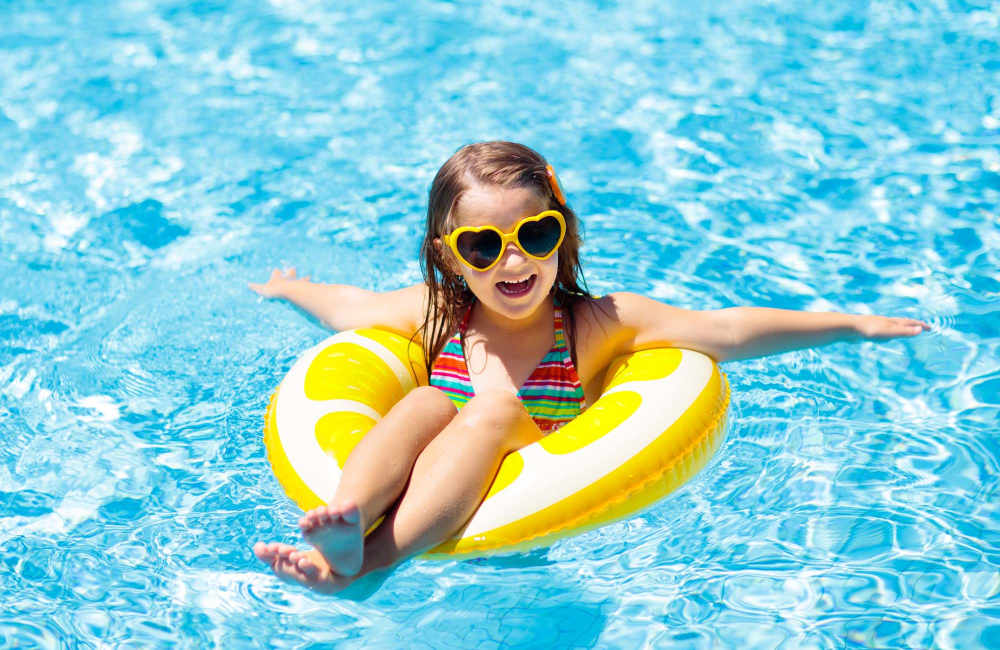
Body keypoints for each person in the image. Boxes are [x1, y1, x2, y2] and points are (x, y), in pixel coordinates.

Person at [250, 141, 929, 596]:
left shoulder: (592, 325)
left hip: (527, 524)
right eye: (483, 247)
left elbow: (724, 329)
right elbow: (350, 310)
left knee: (485, 409)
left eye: (534, 236)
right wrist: (292, 290)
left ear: (562, 231)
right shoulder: (436, 314)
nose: (514, 263)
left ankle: (366, 564)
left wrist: (851, 325)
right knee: (427, 404)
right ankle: (346, 517)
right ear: (450, 256)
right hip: (430, 479)